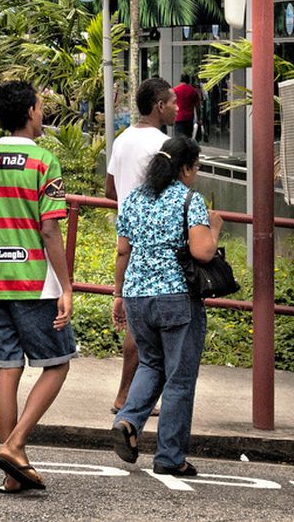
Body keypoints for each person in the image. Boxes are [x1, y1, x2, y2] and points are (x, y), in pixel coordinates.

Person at [0, 81, 74, 494]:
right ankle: (16, 444)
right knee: (57, 362)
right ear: (29, 111)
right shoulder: (44, 161)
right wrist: (67, 286)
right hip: (35, 284)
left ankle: (13, 472)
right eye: (41, 107)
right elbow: (49, 229)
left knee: (7, 368)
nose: (42, 114)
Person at [111, 135, 222, 478]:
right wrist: (215, 229)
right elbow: (203, 252)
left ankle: (128, 420)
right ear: (185, 168)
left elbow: (122, 251)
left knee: (151, 363)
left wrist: (118, 294)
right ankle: (170, 457)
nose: (197, 173)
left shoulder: (134, 198)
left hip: (137, 295)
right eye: (197, 167)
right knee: (179, 377)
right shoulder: (189, 199)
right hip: (176, 298)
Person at [105, 77, 177, 414]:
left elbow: (109, 190)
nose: (178, 107)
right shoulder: (164, 145)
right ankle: (127, 396)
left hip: (126, 236)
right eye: (173, 102)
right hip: (154, 241)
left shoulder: (121, 141)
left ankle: (132, 394)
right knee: (144, 325)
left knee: (138, 317)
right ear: (159, 106)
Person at [172, 74, 200, 138]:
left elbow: (171, 104)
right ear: (188, 80)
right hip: (189, 118)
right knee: (188, 139)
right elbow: (197, 106)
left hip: (178, 117)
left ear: (180, 80)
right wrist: (198, 118)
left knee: (179, 140)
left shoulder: (175, 90)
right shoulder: (193, 91)